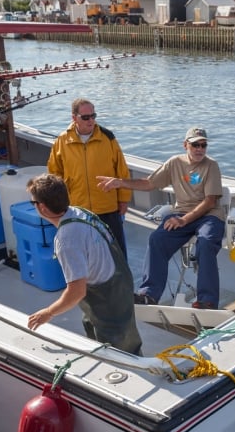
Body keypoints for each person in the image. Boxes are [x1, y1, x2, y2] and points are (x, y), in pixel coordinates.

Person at [96, 127, 225, 309]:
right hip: (182, 213)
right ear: (185, 145)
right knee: (157, 239)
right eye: (195, 144)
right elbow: (149, 183)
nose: (200, 149)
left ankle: (207, 301)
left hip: (209, 216)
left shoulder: (211, 165)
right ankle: (148, 294)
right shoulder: (174, 162)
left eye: (204, 145)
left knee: (205, 242)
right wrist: (120, 182)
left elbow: (210, 201)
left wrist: (183, 220)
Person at [26, 174, 142, 355]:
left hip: (108, 300)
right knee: (100, 337)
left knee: (122, 354)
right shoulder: (80, 212)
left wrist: (48, 313)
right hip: (118, 283)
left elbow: (77, 292)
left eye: (32, 203)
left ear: (42, 207)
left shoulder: (66, 239)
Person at [47, 98, 131, 256]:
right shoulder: (62, 141)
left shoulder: (108, 138)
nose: (91, 120)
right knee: (83, 252)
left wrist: (123, 200)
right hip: (77, 208)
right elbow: (54, 174)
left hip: (107, 207)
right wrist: (59, 203)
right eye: (86, 117)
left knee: (116, 252)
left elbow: (122, 171)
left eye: (93, 116)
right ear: (74, 118)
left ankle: (121, 280)